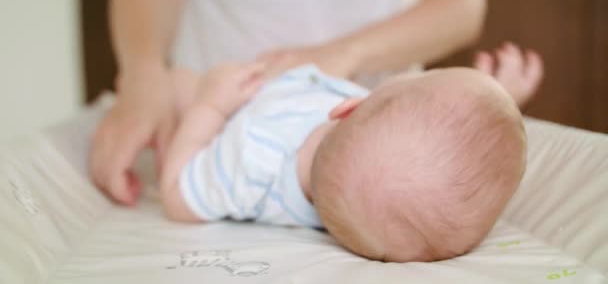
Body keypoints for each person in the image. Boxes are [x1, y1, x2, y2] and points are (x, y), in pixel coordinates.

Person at [92, 0, 490, 205]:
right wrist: (143, 75)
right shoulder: (215, 154)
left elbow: (459, 0)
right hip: (217, 119)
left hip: (368, 125)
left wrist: (341, 55)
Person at [157, 46, 531, 262]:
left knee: (177, 86)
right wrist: (497, 104)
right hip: (278, 91)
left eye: (418, 78)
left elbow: (177, 193)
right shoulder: (365, 192)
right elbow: (434, 154)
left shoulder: (252, 160)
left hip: (229, 118)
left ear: (346, 108)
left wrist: (210, 106)